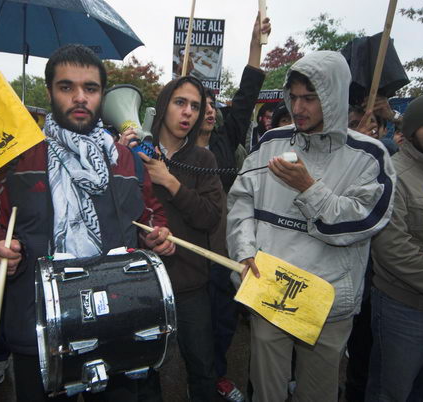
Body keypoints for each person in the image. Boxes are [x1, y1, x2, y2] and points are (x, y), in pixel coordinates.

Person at [0, 44, 174, 402]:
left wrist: (159, 236)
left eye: (90, 88)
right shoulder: (16, 161)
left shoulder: (127, 161)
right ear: (49, 92)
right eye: (66, 87)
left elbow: (150, 215)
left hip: (118, 321)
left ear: (101, 95)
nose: (79, 97)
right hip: (39, 329)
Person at [227, 51, 396, 402]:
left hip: (327, 299)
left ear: (333, 96)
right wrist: (244, 254)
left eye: (311, 97)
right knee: (266, 391)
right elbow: (241, 201)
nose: (299, 107)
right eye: (295, 97)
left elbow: (363, 221)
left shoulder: (369, 155)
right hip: (269, 289)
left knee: (317, 393)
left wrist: (309, 188)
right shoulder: (272, 141)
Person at [193, 12, 269, 402]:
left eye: (210, 105)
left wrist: (256, 45)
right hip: (188, 257)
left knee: (223, 321)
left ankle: (218, 375)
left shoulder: (225, 141)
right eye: (196, 105)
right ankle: (197, 378)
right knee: (193, 326)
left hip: (223, 252)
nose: (207, 110)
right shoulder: (174, 152)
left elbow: (246, 95)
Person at [366, 90, 423, 402]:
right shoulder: (389, 176)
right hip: (404, 313)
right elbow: (394, 251)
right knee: (392, 394)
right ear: (410, 131)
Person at [139, 74, 222, 401]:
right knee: (144, 372)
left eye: (195, 106)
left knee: (202, 367)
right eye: (180, 102)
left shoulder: (204, 159)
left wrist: (170, 181)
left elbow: (210, 218)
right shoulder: (137, 152)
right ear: (163, 105)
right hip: (145, 287)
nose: (187, 112)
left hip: (190, 285)